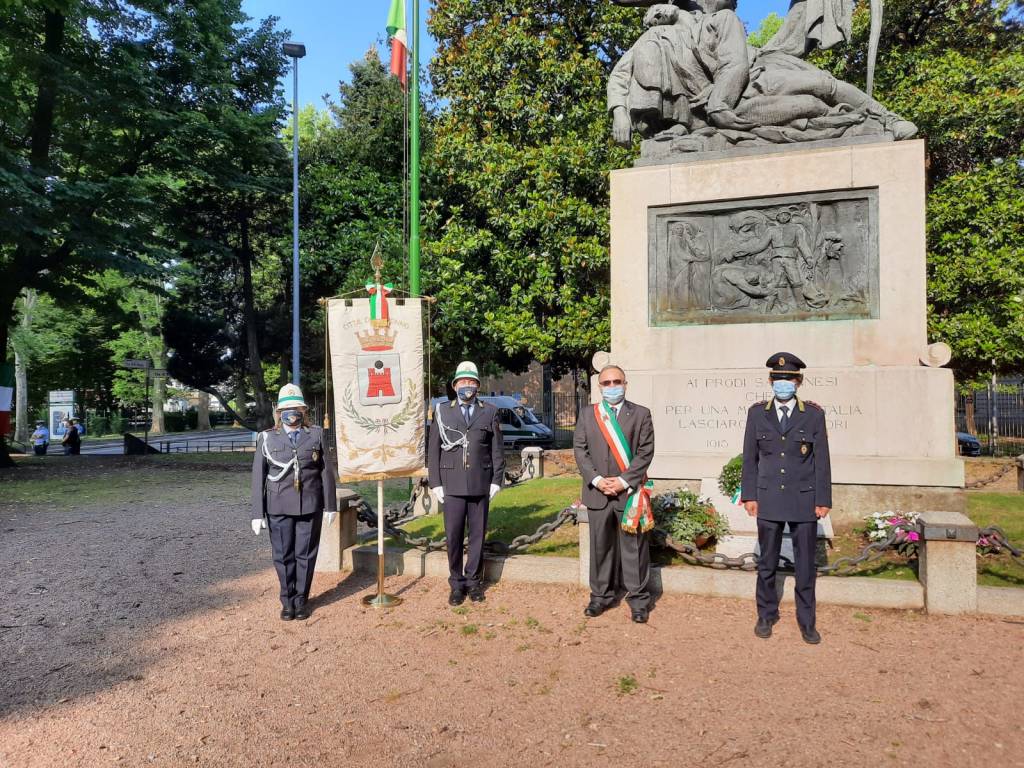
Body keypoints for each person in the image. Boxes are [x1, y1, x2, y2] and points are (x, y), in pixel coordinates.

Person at [740, 353, 832, 644]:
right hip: (768, 499)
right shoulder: (757, 413)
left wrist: (823, 499)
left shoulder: (813, 414)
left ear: (799, 382)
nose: (783, 384)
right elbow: (750, 458)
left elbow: (822, 461)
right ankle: (765, 615)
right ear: (770, 381)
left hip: (803, 500)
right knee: (767, 564)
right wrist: (749, 495)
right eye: (778, 379)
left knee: (805, 567)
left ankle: (807, 622)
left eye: (788, 379)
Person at [573, 364, 656, 623]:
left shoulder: (641, 414)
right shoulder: (588, 414)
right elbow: (580, 450)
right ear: (599, 387)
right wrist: (597, 480)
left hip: (627, 493)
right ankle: (600, 597)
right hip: (597, 493)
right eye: (606, 383)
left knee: (634, 549)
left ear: (625, 384)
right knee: (600, 548)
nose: (612, 387)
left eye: (616, 382)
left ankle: (638, 600)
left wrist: (622, 481)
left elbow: (645, 452)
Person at [251, 384, 338, 621]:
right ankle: (287, 601)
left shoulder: (316, 434)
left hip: (310, 504)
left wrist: (331, 505)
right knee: (283, 555)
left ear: (303, 410)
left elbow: (326, 472)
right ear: (279, 412)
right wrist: (257, 513)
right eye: (286, 408)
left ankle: (301, 600)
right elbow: (258, 475)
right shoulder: (267, 437)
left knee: (306, 555)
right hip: (278, 506)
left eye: (296, 407)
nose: (292, 411)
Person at [427, 361, 505, 606]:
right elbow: (433, 450)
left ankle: (474, 583)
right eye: (462, 382)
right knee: (453, 536)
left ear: (478, 386)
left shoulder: (489, 411)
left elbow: (497, 450)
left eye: (471, 382)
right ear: (455, 385)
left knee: (478, 536)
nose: (467, 386)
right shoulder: (442, 411)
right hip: (451, 484)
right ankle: (456, 583)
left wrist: (496, 480)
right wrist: (435, 482)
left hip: (480, 482)